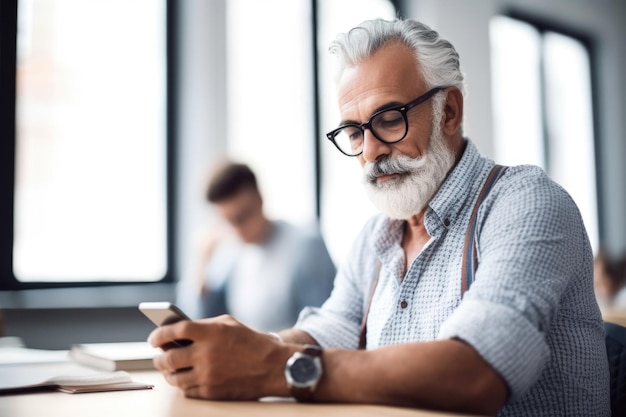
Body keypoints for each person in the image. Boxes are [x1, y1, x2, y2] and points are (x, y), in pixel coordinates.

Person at [149, 18, 610, 416]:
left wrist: (272, 367)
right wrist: (244, 349)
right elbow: (332, 330)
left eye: (389, 119)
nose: (370, 152)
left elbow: (477, 373)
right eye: (354, 131)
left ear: (448, 111)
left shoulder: (526, 203)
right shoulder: (377, 234)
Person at [194, 160, 336, 332]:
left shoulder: (305, 246)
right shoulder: (233, 253)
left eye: (243, 217)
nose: (238, 229)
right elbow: (201, 317)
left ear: (259, 200)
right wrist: (202, 261)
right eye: (228, 221)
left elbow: (322, 328)